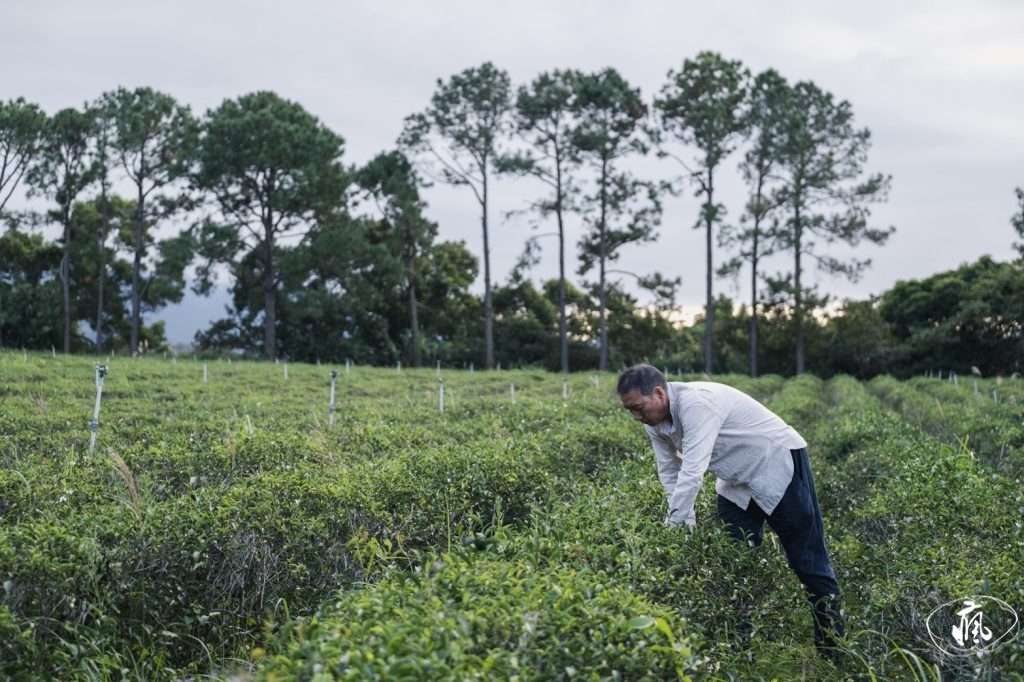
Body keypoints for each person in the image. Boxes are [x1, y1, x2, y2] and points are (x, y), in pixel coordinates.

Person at [616, 363, 844, 656]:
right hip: (735, 478)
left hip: (776, 463)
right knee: (733, 562)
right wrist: (683, 528)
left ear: (659, 393)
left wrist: (673, 526)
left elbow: (693, 470)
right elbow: (669, 471)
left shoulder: (697, 402)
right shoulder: (654, 422)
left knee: (807, 560)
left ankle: (833, 648)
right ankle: (737, 648)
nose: (637, 417)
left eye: (639, 408)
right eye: (630, 411)